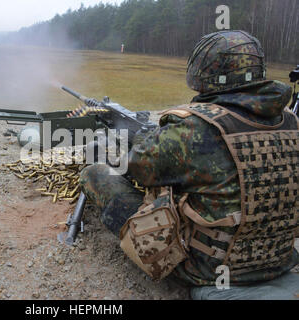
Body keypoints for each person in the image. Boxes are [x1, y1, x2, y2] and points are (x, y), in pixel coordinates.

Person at [79, 30, 298, 300]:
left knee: (97, 172)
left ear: (206, 72)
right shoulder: (291, 123)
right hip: (280, 259)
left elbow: (137, 167)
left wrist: (140, 138)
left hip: (207, 269)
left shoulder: (197, 128)